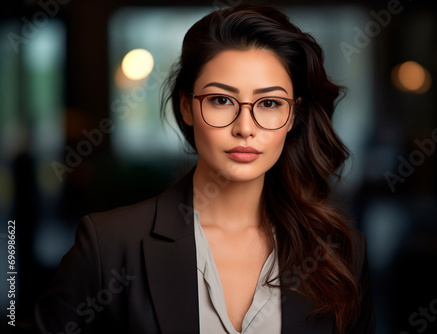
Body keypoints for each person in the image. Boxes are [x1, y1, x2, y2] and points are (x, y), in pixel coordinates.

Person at [33, 3, 375, 334]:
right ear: (186, 106)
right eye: (221, 100)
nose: (245, 127)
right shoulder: (108, 245)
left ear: (293, 116)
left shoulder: (341, 253)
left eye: (269, 103)